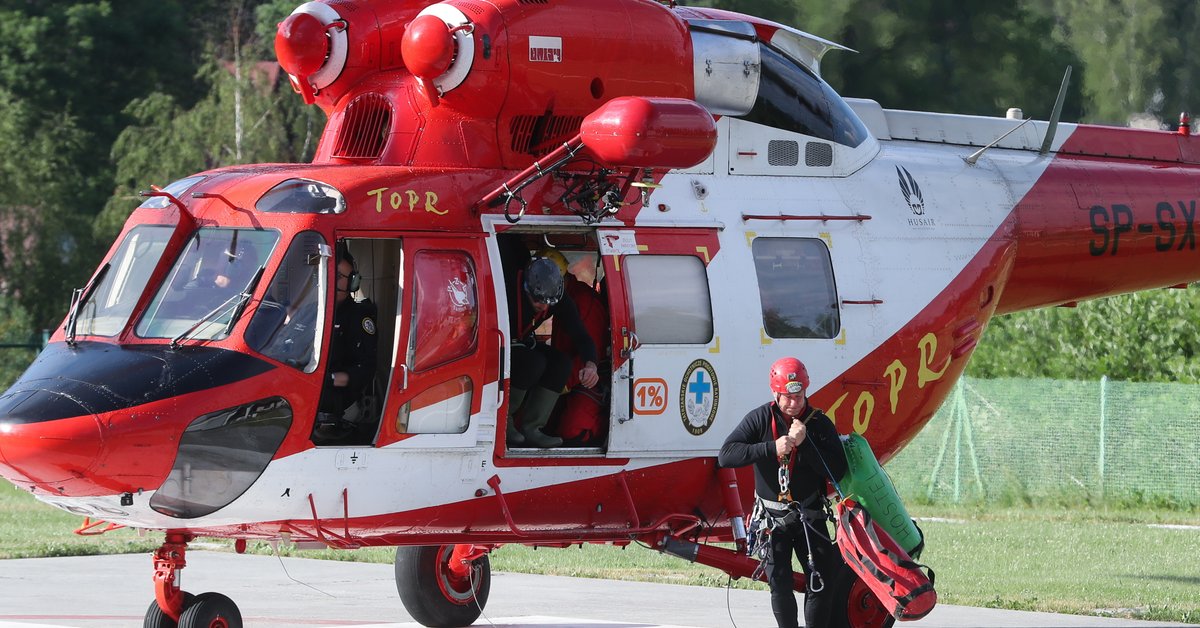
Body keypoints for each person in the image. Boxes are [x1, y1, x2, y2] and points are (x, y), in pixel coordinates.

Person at [718, 357, 848, 628]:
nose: (794, 403)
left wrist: (807, 444)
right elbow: (726, 455)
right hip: (772, 520)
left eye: (798, 396)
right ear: (775, 393)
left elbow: (838, 470)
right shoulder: (759, 419)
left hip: (809, 517)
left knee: (822, 579)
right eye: (787, 397)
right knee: (779, 583)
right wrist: (770, 448)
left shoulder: (818, 423)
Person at [507, 256, 599, 447]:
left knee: (561, 362)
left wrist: (591, 364)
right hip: (500, 344)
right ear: (527, 288)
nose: (544, 307)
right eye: (538, 301)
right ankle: (504, 419)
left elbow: (581, 336)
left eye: (550, 303)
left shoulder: (557, 298)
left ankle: (533, 427)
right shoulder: (508, 286)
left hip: (523, 343)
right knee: (533, 362)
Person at [314, 247, 378, 442]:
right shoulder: (311, 309)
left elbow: (366, 368)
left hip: (338, 400)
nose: (333, 280)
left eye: (340, 276)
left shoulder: (359, 317)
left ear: (353, 283)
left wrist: (334, 378)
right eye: (331, 273)